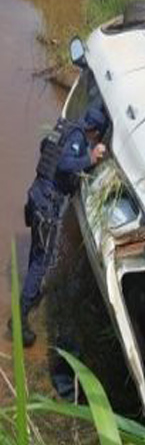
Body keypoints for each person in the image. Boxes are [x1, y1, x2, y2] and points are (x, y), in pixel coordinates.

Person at [7, 105, 109, 347]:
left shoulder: (64, 126)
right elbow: (63, 164)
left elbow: (45, 146)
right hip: (46, 206)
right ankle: (18, 321)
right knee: (41, 263)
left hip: (36, 195)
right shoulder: (78, 137)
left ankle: (28, 298)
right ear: (94, 132)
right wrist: (90, 158)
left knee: (36, 255)